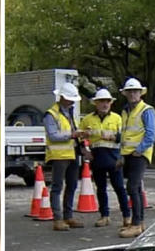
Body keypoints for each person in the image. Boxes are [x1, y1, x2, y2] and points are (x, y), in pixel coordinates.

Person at [79, 88, 129, 228]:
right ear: (96, 103)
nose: (105, 104)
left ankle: (126, 216)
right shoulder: (88, 119)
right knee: (101, 188)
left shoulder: (117, 118)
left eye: (107, 101)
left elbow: (124, 136)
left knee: (119, 187)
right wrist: (84, 151)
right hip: (97, 157)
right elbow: (80, 137)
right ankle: (104, 216)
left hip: (114, 157)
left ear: (111, 103)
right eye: (102, 101)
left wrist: (113, 137)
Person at [42, 82, 87, 231]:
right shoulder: (51, 114)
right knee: (57, 187)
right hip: (59, 155)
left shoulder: (69, 112)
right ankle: (58, 219)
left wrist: (81, 143)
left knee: (72, 185)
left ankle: (68, 216)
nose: (72, 101)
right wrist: (72, 134)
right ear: (61, 97)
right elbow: (53, 135)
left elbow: (72, 132)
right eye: (70, 98)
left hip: (72, 154)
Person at [118, 77, 155, 238]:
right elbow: (124, 133)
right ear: (126, 93)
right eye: (130, 91)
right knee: (137, 189)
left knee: (132, 188)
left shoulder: (146, 110)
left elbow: (151, 133)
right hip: (129, 153)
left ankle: (135, 224)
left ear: (140, 93)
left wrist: (139, 150)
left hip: (138, 154)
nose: (133, 94)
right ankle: (139, 223)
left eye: (135, 91)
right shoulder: (126, 110)